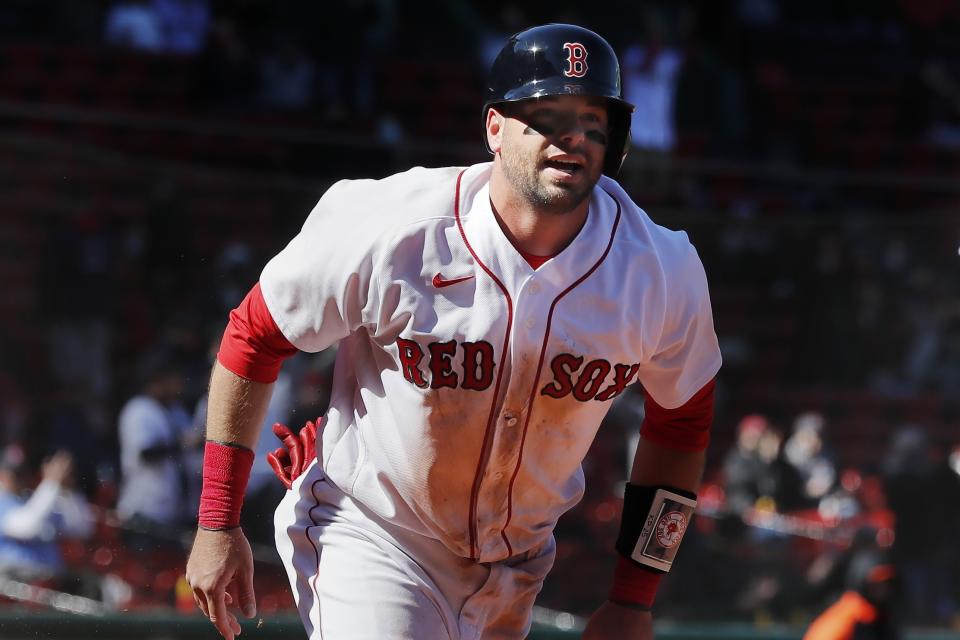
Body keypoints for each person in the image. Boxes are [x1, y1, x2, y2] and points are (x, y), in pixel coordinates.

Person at [186, 23, 722, 640]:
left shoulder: (660, 270)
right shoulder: (391, 225)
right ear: (494, 127)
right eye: (546, 115)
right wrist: (217, 520)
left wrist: (635, 597)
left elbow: (681, 425)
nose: (573, 135)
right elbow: (255, 335)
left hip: (517, 567)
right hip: (376, 533)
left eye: (592, 118)